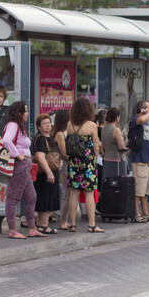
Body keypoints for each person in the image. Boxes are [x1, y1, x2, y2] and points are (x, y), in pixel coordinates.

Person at [1, 101, 45, 239]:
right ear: (19, 113)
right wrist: (17, 155)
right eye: (25, 111)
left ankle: (32, 228)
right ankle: (13, 230)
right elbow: (6, 140)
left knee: (31, 196)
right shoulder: (13, 125)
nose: (27, 113)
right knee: (13, 198)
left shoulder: (19, 127)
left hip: (25, 165)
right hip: (19, 165)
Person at [66, 98, 104, 233]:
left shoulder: (70, 124)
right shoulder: (91, 125)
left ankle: (72, 224)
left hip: (73, 161)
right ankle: (92, 224)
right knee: (89, 193)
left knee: (74, 193)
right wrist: (93, 159)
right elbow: (96, 145)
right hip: (88, 162)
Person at [129, 100, 149, 223]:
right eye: (148, 108)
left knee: (146, 190)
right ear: (142, 109)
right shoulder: (136, 120)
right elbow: (140, 120)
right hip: (140, 161)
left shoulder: (146, 124)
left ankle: (145, 212)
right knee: (138, 189)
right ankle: (136, 213)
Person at [33, 113, 61, 235]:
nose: (47, 125)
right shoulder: (40, 138)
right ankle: (44, 225)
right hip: (44, 175)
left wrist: (59, 163)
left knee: (45, 198)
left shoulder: (49, 137)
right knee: (45, 199)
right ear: (39, 127)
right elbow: (40, 157)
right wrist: (49, 173)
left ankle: (40, 224)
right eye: (44, 123)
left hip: (49, 173)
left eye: (48, 122)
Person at [52, 109, 71, 231]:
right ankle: (63, 220)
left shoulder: (65, 132)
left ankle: (65, 219)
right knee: (67, 194)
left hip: (66, 165)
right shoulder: (60, 134)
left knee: (68, 194)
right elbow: (64, 153)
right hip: (64, 165)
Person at [101, 107, 128, 182]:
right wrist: (127, 141)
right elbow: (121, 148)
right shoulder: (116, 130)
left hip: (107, 160)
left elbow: (102, 146)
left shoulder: (104, 129)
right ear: (117, 117)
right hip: (117, 162)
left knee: (108, 184)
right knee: (118, 185)